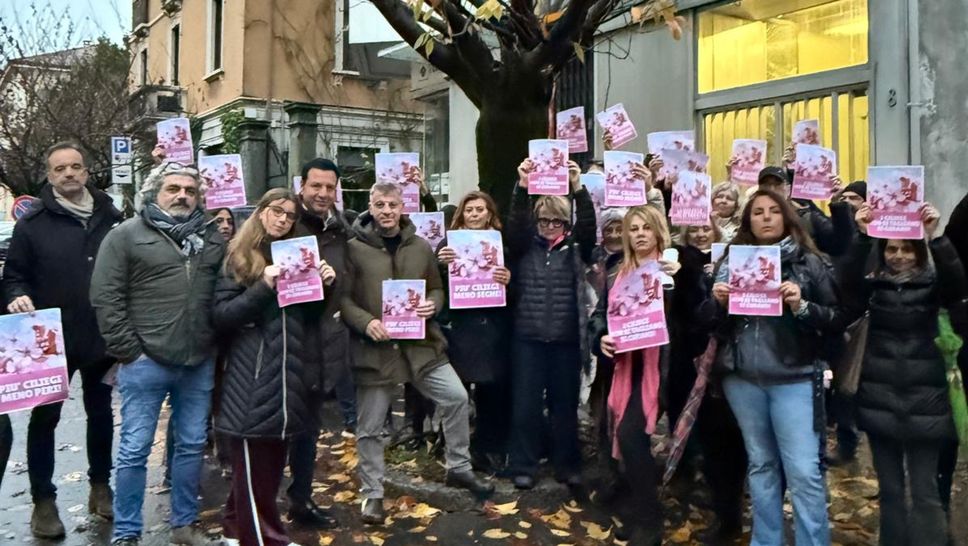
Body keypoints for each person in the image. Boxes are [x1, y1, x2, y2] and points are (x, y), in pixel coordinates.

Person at [341, 182, 493, 524]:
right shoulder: (353, 248)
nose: (386, 211)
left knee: (456, 397)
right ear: (370, 206)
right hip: (376, 349)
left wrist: (432, 305)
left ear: (402, 206)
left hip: (420, 346)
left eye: (392, 205)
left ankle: (459, 467)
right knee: (370, 426)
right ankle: (372, 494)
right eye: (380, 204)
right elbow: (344, 300)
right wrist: (366, 323)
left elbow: (437, 289)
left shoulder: (421, 246)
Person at [91, 162, 226, 546]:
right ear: (155, 193)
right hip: (145, 361)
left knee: (191, 446)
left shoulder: (211, 238)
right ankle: (127, 531)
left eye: (190, 190)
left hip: (198, 361)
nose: (182, 195)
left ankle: (184, 525)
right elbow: (105, 296)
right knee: (135, 449)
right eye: (173, 188)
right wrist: (129, 351)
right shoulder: (126, 235)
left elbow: (225, 288)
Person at [704, 189, 844, 546]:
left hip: (795, 377)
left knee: (803, 471)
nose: (766, 217)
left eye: (773, 211)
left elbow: (835, 318)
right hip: (743, 379)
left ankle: (813, 541)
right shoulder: (731, 261)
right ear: (747, 220)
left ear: (786, 216)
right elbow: (706, 321)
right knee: (761, 465)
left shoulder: (810, 262)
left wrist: (801, 306)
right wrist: (717, 302)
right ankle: (766, 540)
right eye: (757, 212)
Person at [1, 142, 122, 538]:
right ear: (49, 176)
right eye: (60, 169)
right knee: (45, 420)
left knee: (101, 414)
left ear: (86, 171)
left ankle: (101, 487)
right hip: (49, 342)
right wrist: (16, 296)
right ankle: (44, 502)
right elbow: (14, 276)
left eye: (75, 166)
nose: (69, 173)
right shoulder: (32, 224)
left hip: (102, 334)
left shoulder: (111, 216)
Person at [213, 188, 336, 546]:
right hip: (251, 375)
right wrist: (264, 285)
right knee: (255, 467)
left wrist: (325, 285)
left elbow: (307, 316)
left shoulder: (297, 254)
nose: (283, 219)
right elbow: (222, 316)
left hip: (287, 372)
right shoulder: (237, 257)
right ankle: (267, 540)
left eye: (290, 215)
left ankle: (234, 528)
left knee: (266, 468)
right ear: (261, 211)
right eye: (277, 211)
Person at [844, 202, 967, 546]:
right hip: (879, 401)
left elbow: (958, 289)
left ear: (919, 252)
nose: (899, 256)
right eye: (892, 249)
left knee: (926, 492)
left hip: (926, 404)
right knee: (891, 492)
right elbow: (846, 288)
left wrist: (936, 238)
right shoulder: (873, 288)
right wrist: (861, 236)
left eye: (907, 249)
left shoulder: (934, 287)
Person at [589, 205, 679, 546]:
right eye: (634, 228)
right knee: (629, 441)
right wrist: (601, 337)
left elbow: (694, 316)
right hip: (626, 366)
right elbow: (600, 315)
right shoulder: (617, 272)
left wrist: (681, 282)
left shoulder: (671, 269)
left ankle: (650, 521)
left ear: (658, 231)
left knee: (630, 436)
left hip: (661, 367)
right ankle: (640, 513)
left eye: (646, 228)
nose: (640, 234)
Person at [505, 158, 596, 490]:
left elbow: (588, 229)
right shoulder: (523, 248)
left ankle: (567, 464)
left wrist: (578, 188)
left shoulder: (575, 249)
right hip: (528, 339)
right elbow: (514, 226)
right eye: (544, 220)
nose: (549, 226)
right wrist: (522, 187)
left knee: (564, 407)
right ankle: (523, 465)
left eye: (556, 221)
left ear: (565, 223)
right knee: (525, 407)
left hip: (565, 341)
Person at [288, 158, 352, 529]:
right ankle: (255, 507)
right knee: (275, 430)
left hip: (324, 343)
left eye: (330, 187)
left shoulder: (341, 229)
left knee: (308, 431)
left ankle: (300, 499)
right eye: (316, 186)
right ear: (302, 186)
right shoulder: (285, 222)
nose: (323, 193)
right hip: (286, 341)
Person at [435, 191, 513, 474]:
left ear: (490, 213)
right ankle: (451, 446)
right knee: (457, 392)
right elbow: (435, 285)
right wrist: (440, 264)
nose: (475, 214)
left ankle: (486, 448)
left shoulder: (501, 244)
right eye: (469, 210)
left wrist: (509, 279)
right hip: (460, 329)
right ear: (462, 214)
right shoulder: (448, 244)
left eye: (480, 209)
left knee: (490, 392)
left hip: (492, 329)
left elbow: (515, 288)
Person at [756, 166, 854, 256]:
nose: (772, 189)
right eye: (766, 185)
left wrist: (838, 204)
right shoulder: (751, 219)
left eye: (777, 184)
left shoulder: (807, 219)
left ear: (788, 189)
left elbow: (839, 245)